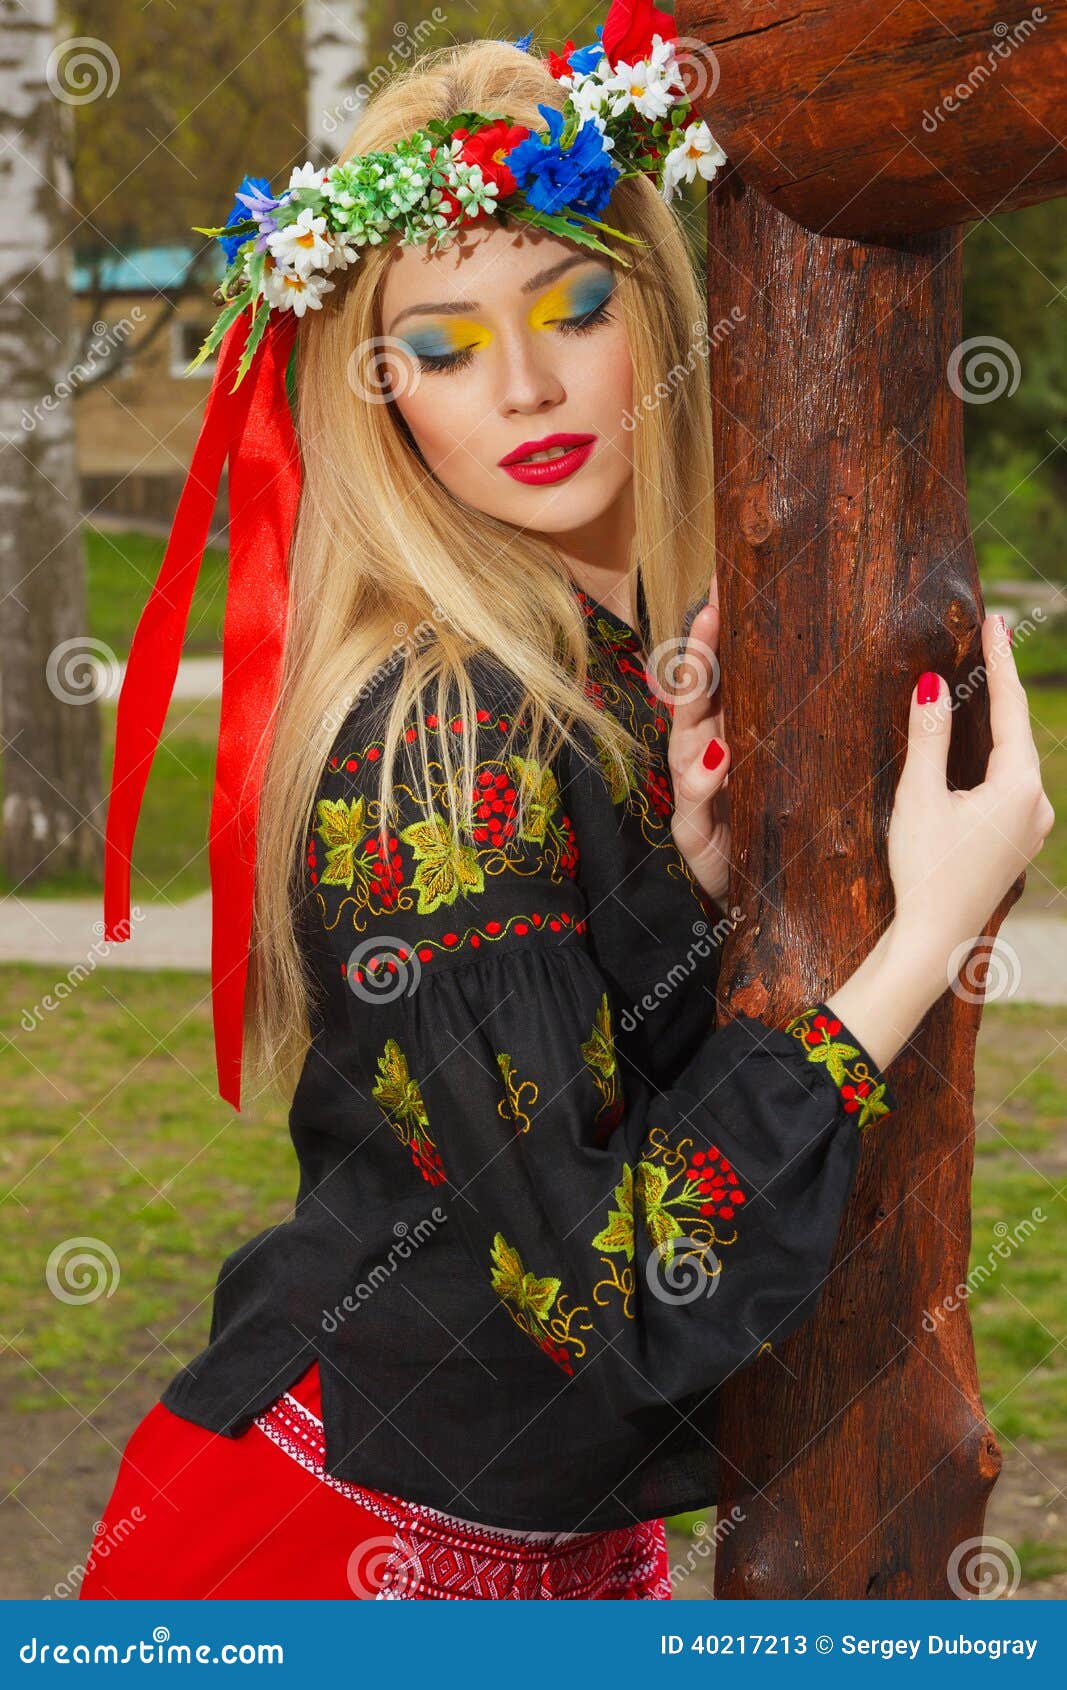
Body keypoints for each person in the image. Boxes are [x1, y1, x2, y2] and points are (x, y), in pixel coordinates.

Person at [80, 9, 1054, 1602]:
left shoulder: (593, 670)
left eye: (573, 305)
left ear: (652, 307)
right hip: (331, 1554)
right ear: (384, 395)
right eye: (447, 345)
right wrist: (917, 944)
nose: (524, 383)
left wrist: (685, 889)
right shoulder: (442, 725)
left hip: (541, 1547)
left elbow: (606, 1125)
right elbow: (615, 1287)